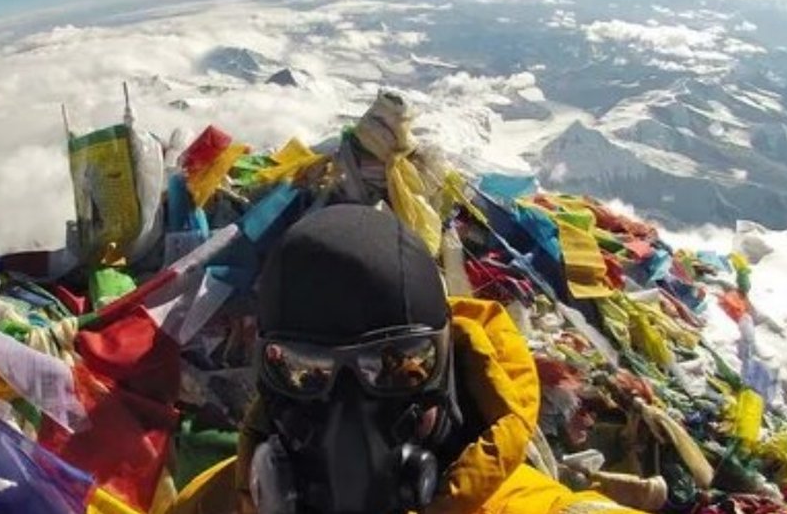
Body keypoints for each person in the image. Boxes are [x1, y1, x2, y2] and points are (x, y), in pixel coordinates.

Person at [170, 205, 640, 514]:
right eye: (303, 370)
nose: (350, 410)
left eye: (396, 363)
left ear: (449, 364)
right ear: (266, 378)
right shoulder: (213, 505)